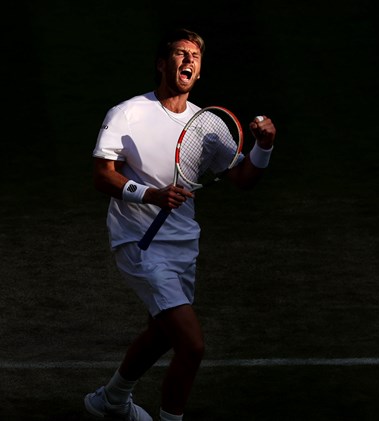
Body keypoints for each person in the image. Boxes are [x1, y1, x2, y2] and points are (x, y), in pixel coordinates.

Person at [85, 28, 277, 421]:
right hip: (139, 243)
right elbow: (102, 175)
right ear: (161, 63)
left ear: (200, 70)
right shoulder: (129, 113)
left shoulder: (207, 125)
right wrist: (150, 194)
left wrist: (265, 147)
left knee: (161, 333)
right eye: (179, 53)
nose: (188, 60)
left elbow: (244, 179)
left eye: (195, 56)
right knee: (192, 346)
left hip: (183, 245)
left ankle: (111, 400)